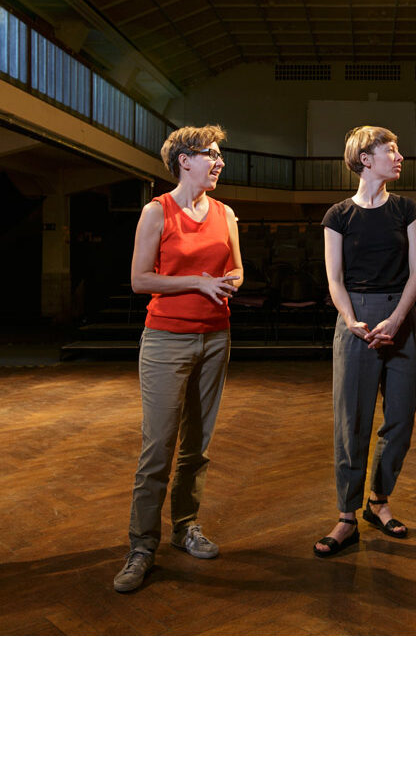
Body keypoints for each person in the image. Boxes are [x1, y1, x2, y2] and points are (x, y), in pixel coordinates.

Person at [113, 124, 244, 593]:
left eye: (219, 154)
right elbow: (140, 280)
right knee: (159, 448)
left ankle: (186, 526)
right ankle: (141, 546)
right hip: (167, 339)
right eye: (211, 153)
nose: (219, 161)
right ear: (183, 160)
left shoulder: (226, 213)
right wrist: (197, 283)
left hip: (216, 338)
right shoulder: (157, 211)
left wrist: (229, 281)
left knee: (198, 445)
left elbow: (237, 267)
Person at [313, 126, 416, 557]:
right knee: (351, 424)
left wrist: (397, 320)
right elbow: (334, 278)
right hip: (355, 320)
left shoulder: (407, 209)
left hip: (401, 316)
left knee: (400, 419)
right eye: (390, 150)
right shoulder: (338, 215)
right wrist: (351, 319)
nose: (399, 157)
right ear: (365, 158)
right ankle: (346, 516)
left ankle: (378, 501)